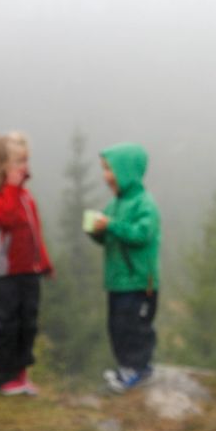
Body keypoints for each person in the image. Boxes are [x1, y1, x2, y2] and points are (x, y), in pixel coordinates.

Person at [0, 131, 53, 396]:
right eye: (19, 162)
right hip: (2, 274)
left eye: (26, 161)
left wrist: (43, 262)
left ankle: (19, 376)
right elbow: (5, 218)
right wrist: (10, 186)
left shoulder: (25, 196)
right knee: (4, 326)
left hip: (27, 272)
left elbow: (33, 231)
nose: (25, 168)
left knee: (27, 325)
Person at [87, 142, 161, 393]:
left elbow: (142, 234)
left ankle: (138, 368)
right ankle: (126, 367)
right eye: (105, 170)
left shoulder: (144, 203)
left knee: (136, 326)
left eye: (110, 170)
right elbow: (109, 237)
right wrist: (96, 232)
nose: (106, 176)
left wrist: (111, 226)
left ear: (127, 171)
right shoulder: (115, 204)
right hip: (118, 280)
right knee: (117, 326)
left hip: (140, 280)